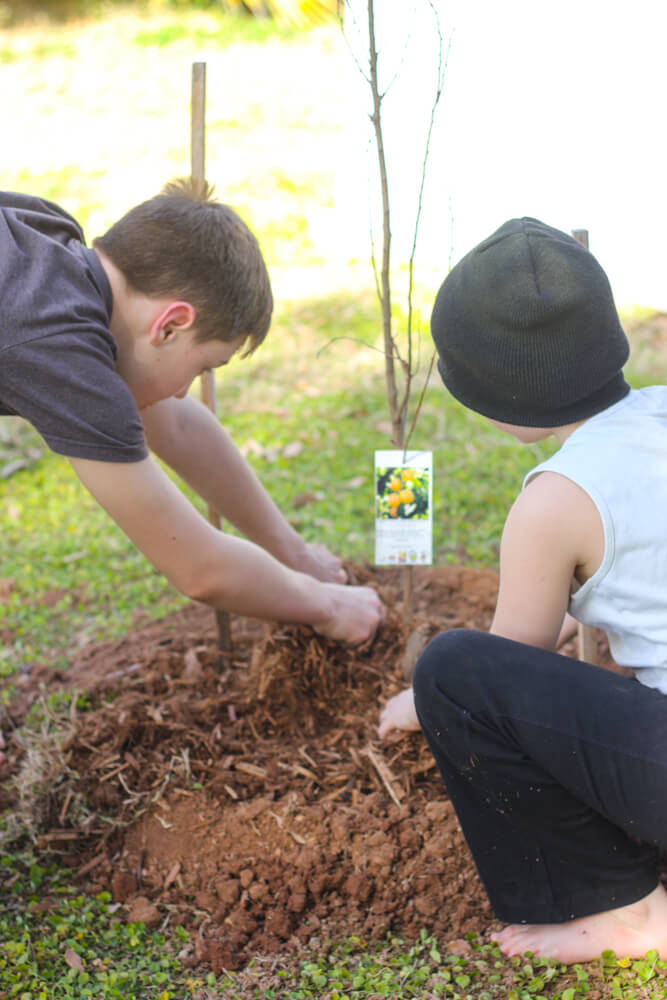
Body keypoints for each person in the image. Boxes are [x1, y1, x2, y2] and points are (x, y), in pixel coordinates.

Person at [378, 217, 667, 963]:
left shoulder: (553, 500)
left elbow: (512, 659)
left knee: (454, 670)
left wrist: (424, 701)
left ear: (492, 396)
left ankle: (626, 913)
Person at [0, 180, 383, 644]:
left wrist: (293, 553)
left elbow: (178, 428)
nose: (184, 392)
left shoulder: (48, 236)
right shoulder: (59, 345)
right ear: (172, 324)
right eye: (204, 367)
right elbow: (199, 569)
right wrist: (328, 606)